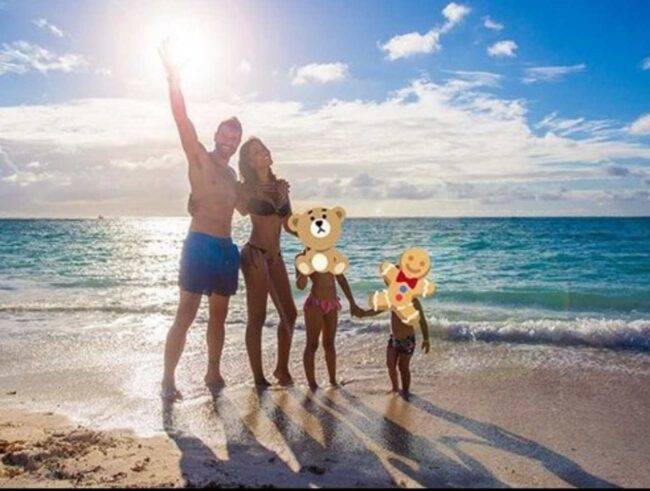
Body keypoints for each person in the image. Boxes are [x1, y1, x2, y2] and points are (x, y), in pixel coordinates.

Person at [159, 38, 244, 400]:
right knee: (186, 314)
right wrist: (173, 78)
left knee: (219, 318)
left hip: (225, 248)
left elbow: (248, 207)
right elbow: (182, 120)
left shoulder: (233, 176)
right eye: (225, 134)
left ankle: (213, 371)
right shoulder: (200, 160)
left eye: (235, 137)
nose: (229, 140)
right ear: (216, 136)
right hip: (199, 244)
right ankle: (168, 378)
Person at [235, 137, 298, 386]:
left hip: (276, 256)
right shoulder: (244, 189)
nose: (262, 152)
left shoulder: (281, 187)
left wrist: (316, 236)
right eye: (255, 151)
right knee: (257, 317)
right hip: (255, 254)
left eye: (262, 148)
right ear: (249, 162)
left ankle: (281, 369)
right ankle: (258, 377)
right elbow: (225, 204)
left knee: (290, 314)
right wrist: (195, 203)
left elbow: (289, 225)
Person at [297, 267, 365, 391]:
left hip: (332, 303)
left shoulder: (331, 257)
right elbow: (300, 286)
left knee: (329, 344)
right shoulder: (305, 259)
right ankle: (312, 384)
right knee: (312, 344)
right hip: (315, 304)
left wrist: (352, 302)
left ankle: (333, 381)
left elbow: (341, 279)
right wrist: (305, 271)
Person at [356, 299, 430, 398]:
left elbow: (422, 321)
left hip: (407, 340)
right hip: (394, 338)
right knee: (390, 364)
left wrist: (426, 339)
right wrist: (364, 313)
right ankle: (395, 389)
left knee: (403, 367)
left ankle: (405, 391)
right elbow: (378, 310)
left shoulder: (413, 301)